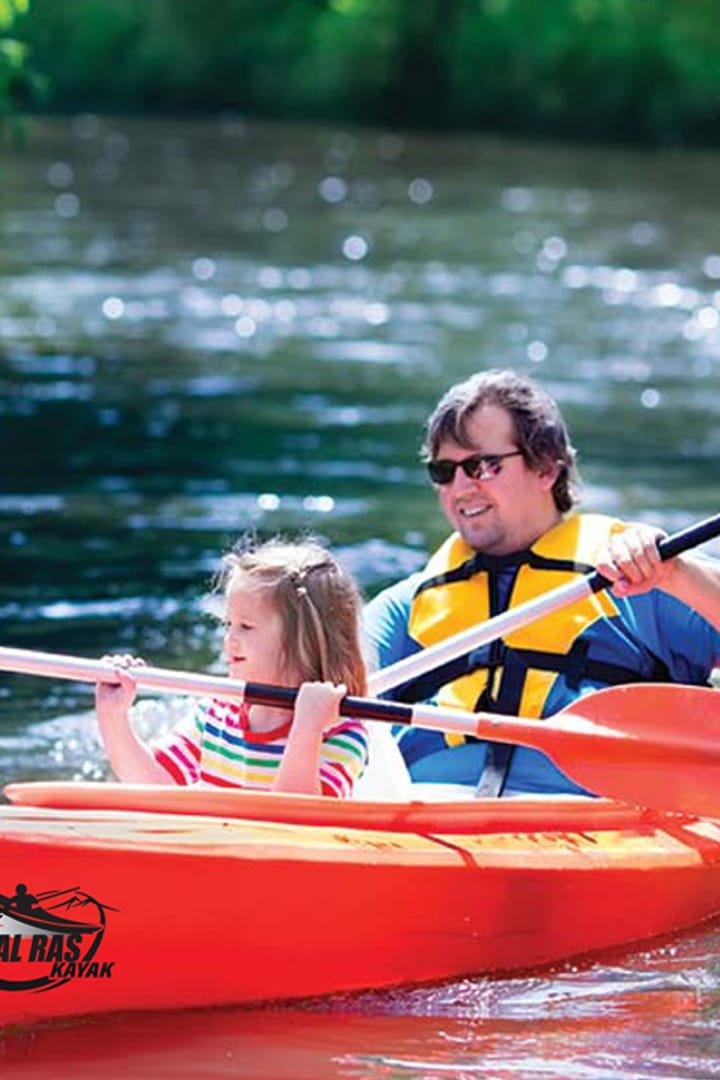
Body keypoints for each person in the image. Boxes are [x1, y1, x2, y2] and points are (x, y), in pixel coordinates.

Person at [364, 368, 720, 796]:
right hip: (426, 810)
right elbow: (323, 681)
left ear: (547, 469)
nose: (460, 488)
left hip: (590, 815)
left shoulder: (639, 578)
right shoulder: (407, 606)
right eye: (444, 471)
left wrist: (679, 574)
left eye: (481, 466)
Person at [95, 537, 369, 798]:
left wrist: (307, 728)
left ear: (305, 640)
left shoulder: (343, 734)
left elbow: (298, 822)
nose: (229, 639)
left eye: (246, 627)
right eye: (229, 625)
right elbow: (154, 788)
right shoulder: (218, 712)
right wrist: (113, 717)